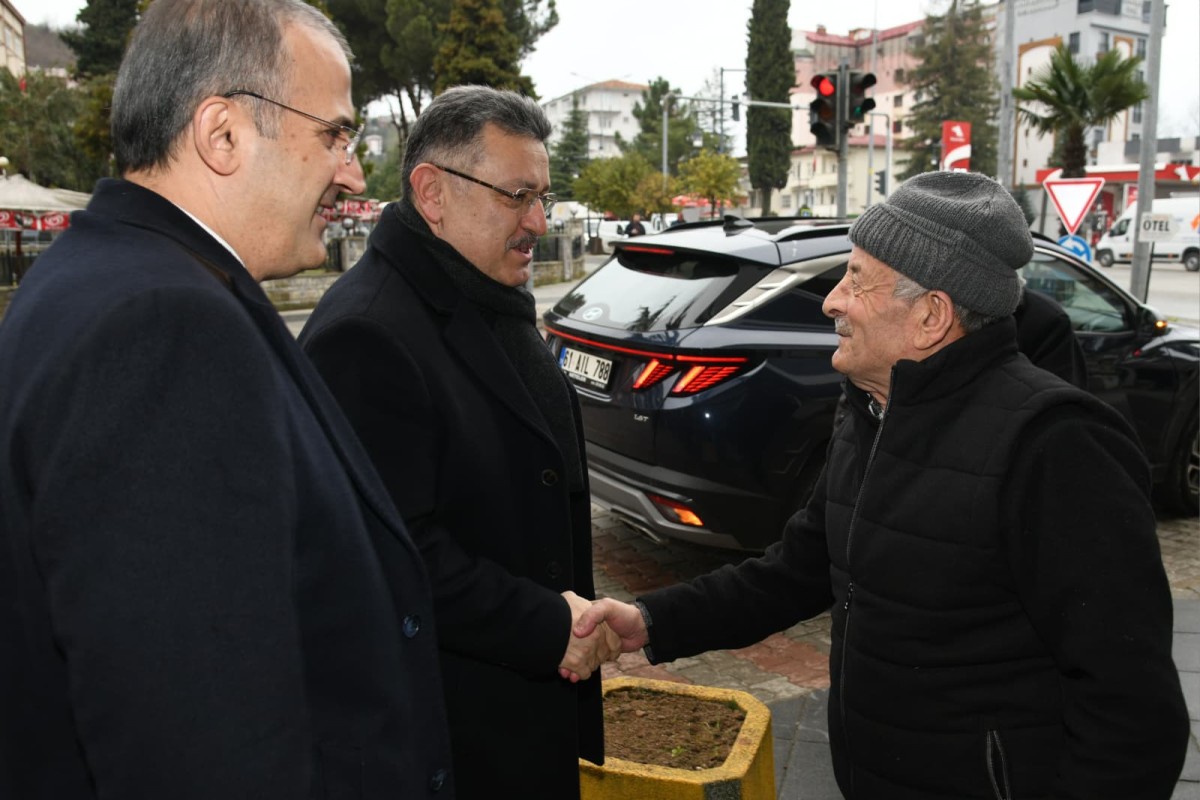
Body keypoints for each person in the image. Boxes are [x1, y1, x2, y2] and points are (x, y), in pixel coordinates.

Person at [573, 171, 1189, 798]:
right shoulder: (873, 408)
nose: (830, 301)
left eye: (856, 280)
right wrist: (650, 620)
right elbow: (800, 567)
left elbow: (1132, 711)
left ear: (931, 315)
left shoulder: (1058, 444)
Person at [0, 1, 454, 797]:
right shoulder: (165, 327)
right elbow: (202, 748)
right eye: (335, 136)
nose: (353, 172)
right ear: (223, 135)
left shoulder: (104, 273)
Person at [299, 85, 616, 800]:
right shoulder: (369, 333)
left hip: (518, 711)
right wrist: (546, 623)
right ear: (433, 193)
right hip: (453, 737)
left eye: (543, 195)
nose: (538, 220)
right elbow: (393, 557)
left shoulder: (479, 293)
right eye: (516, 195)